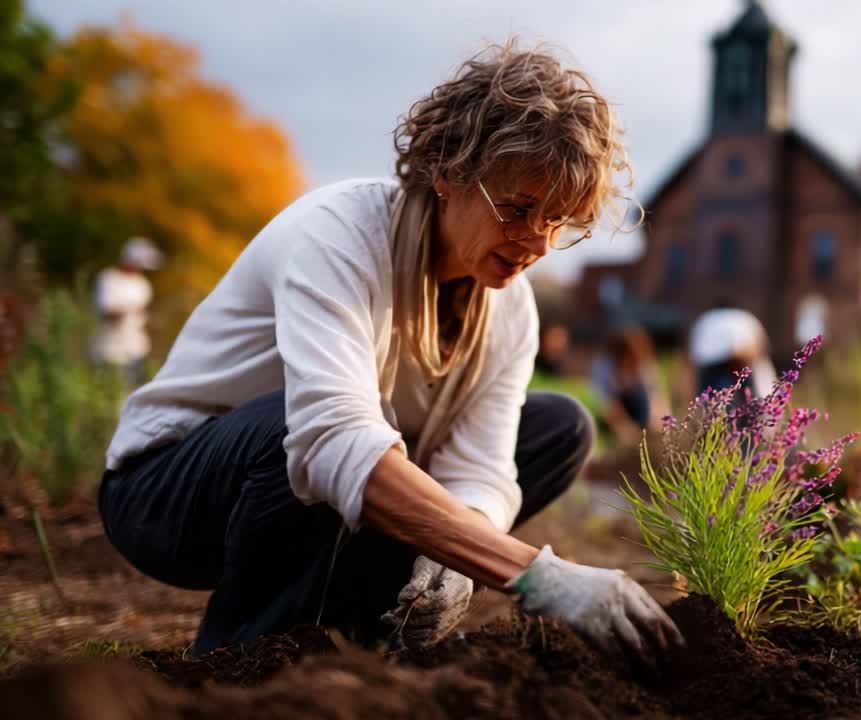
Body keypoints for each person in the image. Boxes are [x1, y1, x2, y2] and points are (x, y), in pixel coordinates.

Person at [96, 42, 682, 662]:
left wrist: (459, 548)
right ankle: (242, 661)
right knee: (299, 425)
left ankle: (363, 632)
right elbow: (332, 438)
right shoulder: (339, 236)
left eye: (560, 219)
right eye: (516, 209)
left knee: (558, 428)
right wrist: (534, 575)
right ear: (448, 172)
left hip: (319, 497)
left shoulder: (511, 308)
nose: (536, 241)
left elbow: (483, 469)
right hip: (171, 493)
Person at [93, 237, 164, 386]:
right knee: (108, 392)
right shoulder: (108, 279)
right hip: (110, 351)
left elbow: (143, 316)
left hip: (135, 350)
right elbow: (105, 311)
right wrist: (128, 311)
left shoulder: (143, 285)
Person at [590, 326, 661, 445]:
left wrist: (657, 424)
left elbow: (655, 396)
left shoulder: (644, 365)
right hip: (615, 417)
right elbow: (605, 403)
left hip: (640, 417)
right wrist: (625, 429)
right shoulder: (604, 367)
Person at [688, 304, 775, 402]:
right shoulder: (744, 318)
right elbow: (761, 346)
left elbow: (696, 356)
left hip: (727, 363)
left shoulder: (706, 319)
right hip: (729, 363)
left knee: (714, 402)